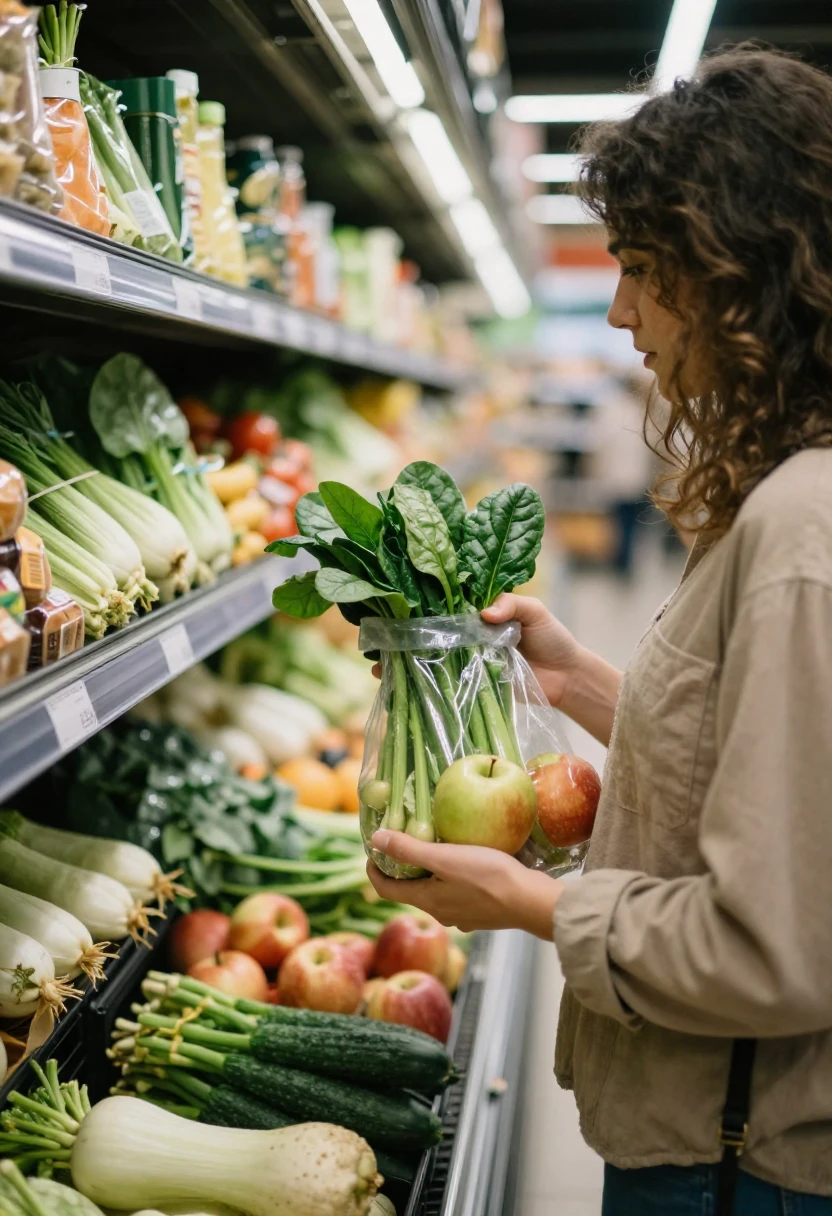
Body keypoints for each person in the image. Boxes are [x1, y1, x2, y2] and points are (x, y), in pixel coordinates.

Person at [367, 46, 832, 1216]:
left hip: (741, 1168)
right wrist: (575, 680)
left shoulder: (799, 529)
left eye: (639, 268)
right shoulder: (786, 490)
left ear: (735, 271)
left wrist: (523, 902)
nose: (619, 308)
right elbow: (769, 780)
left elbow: (769, 947)